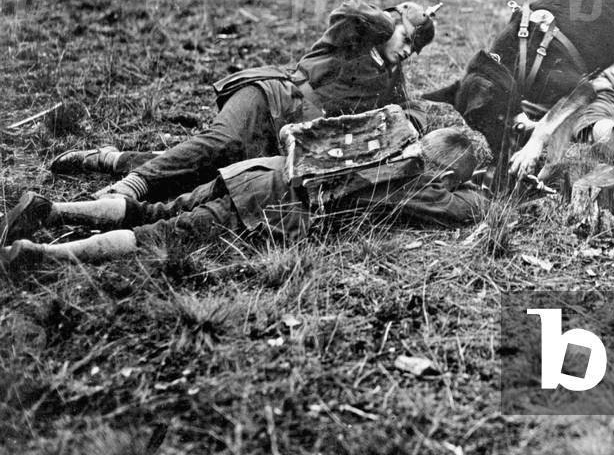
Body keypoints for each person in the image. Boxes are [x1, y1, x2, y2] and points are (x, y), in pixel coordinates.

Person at [50, 0, 440, 202]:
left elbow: (413, 108)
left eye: (415, 49)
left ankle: (110, 159)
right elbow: (347, 11)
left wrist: (414, 121)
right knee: (222, 144)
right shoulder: (355, 34)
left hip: (285, 135)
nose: (408, 51)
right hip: (268, 99)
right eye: (406, 39)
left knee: (212, 173)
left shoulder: (391, 76)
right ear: (390, 24)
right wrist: (389, 20)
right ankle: (132, 185)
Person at [2, 108, 488, 268]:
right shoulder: (420, 186)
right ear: (447, 173)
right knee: (162, 238)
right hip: (268, 206)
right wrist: (476, 185)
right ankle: (42, 256)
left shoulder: (392, 135)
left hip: (256, 171)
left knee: (157, 211)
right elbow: (469, 208)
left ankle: (52, 209)